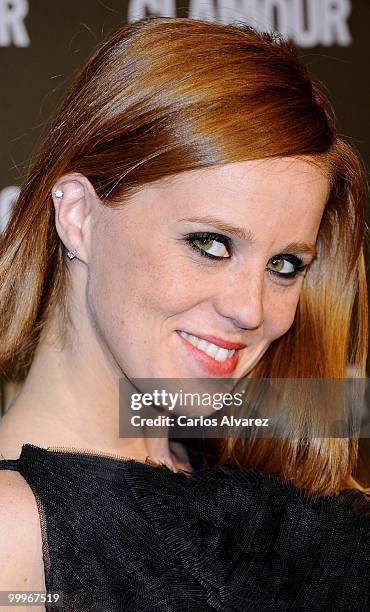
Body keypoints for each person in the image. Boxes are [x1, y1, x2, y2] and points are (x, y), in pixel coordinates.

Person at [0, 15, 369, 612]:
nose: (251, 310)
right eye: (210, 244)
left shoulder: (272, 488)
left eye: (284, 265)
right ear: (78, 217)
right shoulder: (12, 538)